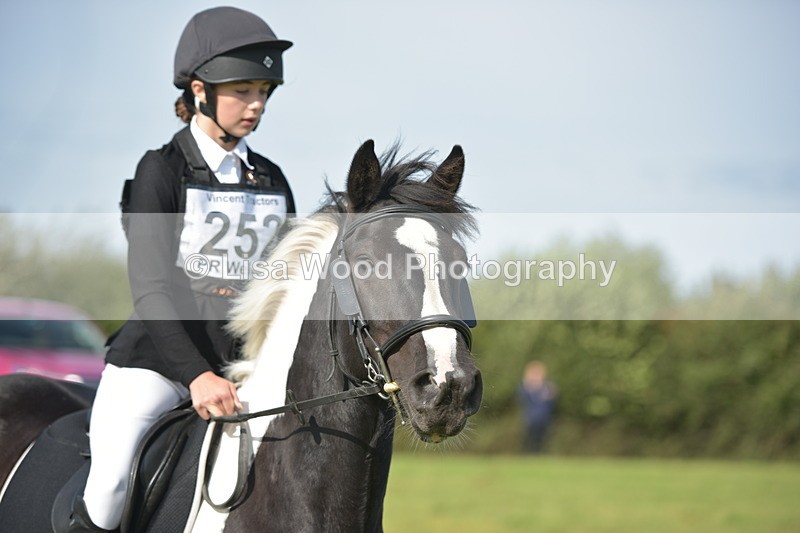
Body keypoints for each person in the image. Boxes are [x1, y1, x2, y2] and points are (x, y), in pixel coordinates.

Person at [69, 7, 296, 532]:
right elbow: (150, 289)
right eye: (243, 90)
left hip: (243, 367)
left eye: (263, 90)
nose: (256, 104)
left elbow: (284, 287)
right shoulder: (160, 171)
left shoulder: (271, 180)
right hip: (161, 364)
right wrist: (196, 375)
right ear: (200, 91)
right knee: (107, 487)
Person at [518, 360, 558, 454]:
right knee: (529, 438)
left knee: (543, 438)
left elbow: (552, 402)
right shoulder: (525, 387)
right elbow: (522, 399)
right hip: (530, 418)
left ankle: (540, 454)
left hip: (544, 418)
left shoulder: (547, 387)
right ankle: (528, 454)